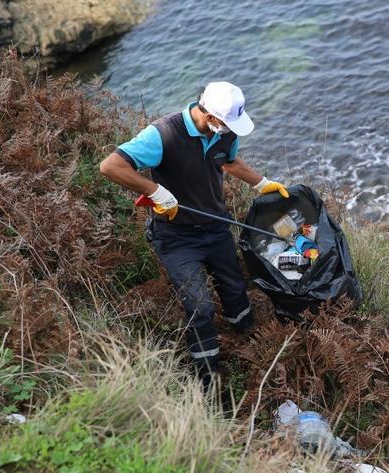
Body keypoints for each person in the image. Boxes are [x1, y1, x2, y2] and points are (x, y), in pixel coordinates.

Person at [99, 81, 288, 390]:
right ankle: (208, 379)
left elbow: (229, 161)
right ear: (208, 114)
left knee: (235, 289)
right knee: (199, 306)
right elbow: (111, 166)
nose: (229, 131)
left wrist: (261, 183)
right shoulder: (164, 134)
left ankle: (247, 338)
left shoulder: (225, 134)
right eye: (226, 124)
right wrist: (156, 191)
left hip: (216, 229)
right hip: (176, 237)